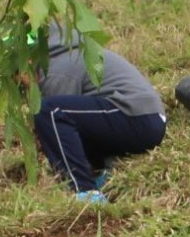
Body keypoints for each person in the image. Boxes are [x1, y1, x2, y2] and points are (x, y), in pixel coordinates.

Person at [34, 24, 167, 203]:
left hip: (137, 118)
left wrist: (32, 87)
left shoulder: (57, 68)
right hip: (147, 119)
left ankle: (85, 190)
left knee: (51, 112)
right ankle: (100, 173)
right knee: (66, 118)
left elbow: (52, 124)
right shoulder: (75, 52)